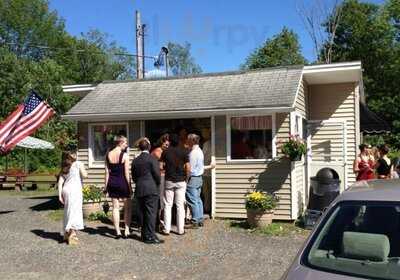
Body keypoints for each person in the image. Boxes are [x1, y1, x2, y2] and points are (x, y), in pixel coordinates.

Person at [131, 137, 163, 244]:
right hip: (151, 188)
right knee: (151, 213)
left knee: (142, 213)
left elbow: (134, 176)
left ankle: (144, 235)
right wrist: (157, 184)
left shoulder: (135, 161)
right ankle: (151, 236)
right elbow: (157, 175)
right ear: (149, 147)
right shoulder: (152, 159)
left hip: (140, 188)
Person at [161, 134, 191, 235]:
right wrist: (186, 179)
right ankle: (180, 229)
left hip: (169, 180)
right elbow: (188, 167)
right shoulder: (184, 151)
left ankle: (166, 229)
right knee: (179, 206)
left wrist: (167, 168)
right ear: (179, 141)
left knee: (168, 205)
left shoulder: (165, 151)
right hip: (181, 181)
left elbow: (161, 166)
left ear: (170, 141)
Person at [105, 135, 132, 238]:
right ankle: (127, 230)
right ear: (120, 143)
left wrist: (105, 187)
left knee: (115, 207)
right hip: (123, 182)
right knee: (127, 207)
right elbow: (126, 173)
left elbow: (106, 173)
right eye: (125, 143)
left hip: (112, 183)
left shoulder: (108, 155)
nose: (126, 145)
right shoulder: (125, 156)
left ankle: (117, 232)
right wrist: (130, 187)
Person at [58, 151, 87, 245]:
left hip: (66, 190)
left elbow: (60, 181)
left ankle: (66, 234)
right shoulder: (78, 164)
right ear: (72, 156)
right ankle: (72, 235)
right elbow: (85, 175)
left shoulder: (65, 166)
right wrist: (84, 169)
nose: (76, 155)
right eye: (74, 154)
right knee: (75, 212)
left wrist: (59, 195)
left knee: (68, 211)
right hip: (74, 190)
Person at [185, 134, 206, 227]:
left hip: (193, 178)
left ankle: (195, 220)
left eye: (188, 140)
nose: (187, 141)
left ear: (192, 141)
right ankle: (200, 218)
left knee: (192, 200)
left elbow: (190, 169)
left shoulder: (193, 153)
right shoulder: (199, 150)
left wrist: (186, 179)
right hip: (199, 177)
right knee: (198, 199)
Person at [150, 133, 170, 230]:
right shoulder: (158, 151)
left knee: (163, 199)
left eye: (168, 145)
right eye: (166, 144)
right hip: (159, 177)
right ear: (161, 143)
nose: (167, 146)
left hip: (163, 176)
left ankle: (160, 220)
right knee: (160, 199)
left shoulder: (163, 151)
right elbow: (162, 165)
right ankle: (158, 221)